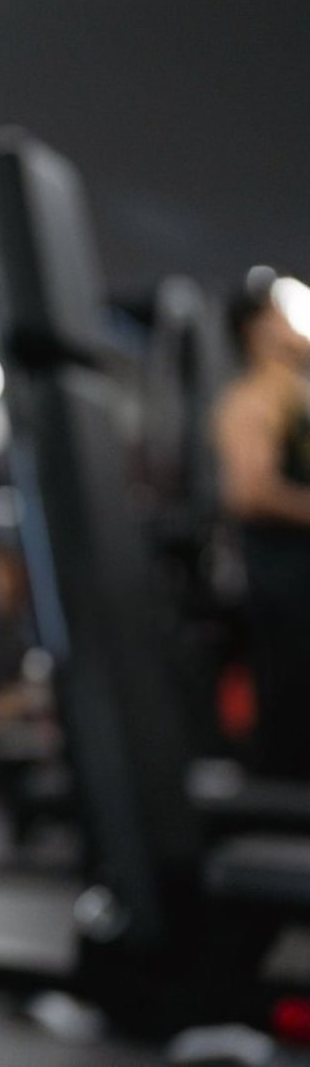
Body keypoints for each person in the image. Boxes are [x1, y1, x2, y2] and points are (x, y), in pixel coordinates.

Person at [215, 279, 310, 778]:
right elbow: (249, 493)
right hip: (284, 578)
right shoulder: (250, 401)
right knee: (294, 693)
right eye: (283, 316)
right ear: (258, 330)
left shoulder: (297, 397)